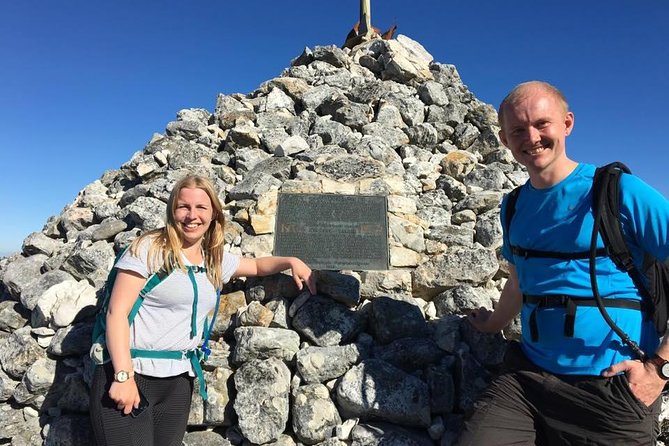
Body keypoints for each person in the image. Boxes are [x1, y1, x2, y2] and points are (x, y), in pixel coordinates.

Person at [456, 81, 669, 445]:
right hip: (527, 380)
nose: (532, 137)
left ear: (567, 124)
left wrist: (658, 369)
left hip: (612, 388)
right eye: (518, 130)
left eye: (542, 124)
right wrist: (493, 323)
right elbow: (520, 277)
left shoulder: (618, 191)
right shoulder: (514, 206)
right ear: (505, 140)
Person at [89, 174, 316, 446]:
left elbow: (255, 267)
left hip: (178, 381)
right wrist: (123, 376)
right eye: (183, 207)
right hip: (133, 372)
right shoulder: (148, 249)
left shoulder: (213, 259)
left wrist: (291, 261)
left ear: (213, 215)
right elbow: (117, 313)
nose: (191, 216)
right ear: (172, 210)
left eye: (201, 208)